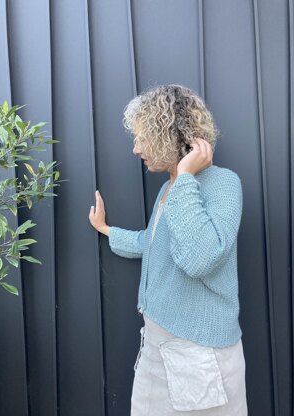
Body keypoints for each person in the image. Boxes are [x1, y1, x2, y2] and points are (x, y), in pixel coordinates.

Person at [89, 84, 248, 415]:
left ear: (168, 135)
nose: (135, 149)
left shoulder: (223, 184)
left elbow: (201, 258)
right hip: (156, 348)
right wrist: (107, 230)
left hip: (198, 355)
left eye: (143, 137)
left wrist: (186, 176)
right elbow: (153, 243)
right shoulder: (169, 187)